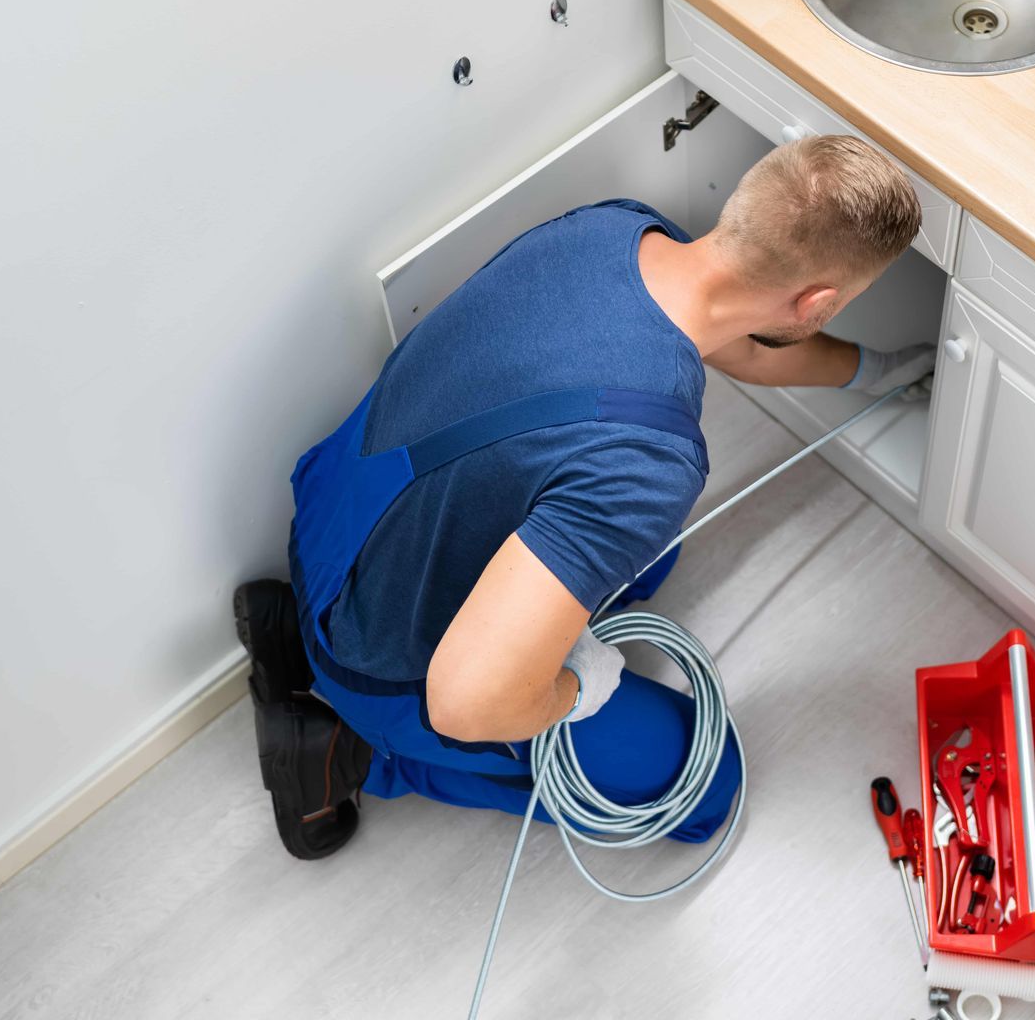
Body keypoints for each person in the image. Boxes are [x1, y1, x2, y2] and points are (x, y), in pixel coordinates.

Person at [233, 134, 937, 858]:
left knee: (651, 552)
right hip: (383, 663)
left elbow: (749, 349)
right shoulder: (649, 461)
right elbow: (466, 703)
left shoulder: (616, 231)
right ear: (819, 303)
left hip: (330, 527)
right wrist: (575, 687)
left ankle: (293, 635)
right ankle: (352, 753)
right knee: (707, 787)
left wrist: (876, 370)